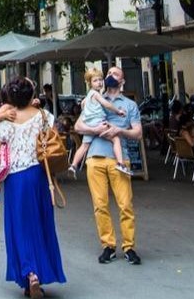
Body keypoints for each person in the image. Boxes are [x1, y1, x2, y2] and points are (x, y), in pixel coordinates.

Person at [0, 77, 66, 297]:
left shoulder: (5, 122)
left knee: (19, 227)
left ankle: (29, 273)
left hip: (15, 179)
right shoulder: (43, 116)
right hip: (39, 176)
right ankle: (40, 273)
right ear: (31, 96)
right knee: (40, 224)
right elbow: (53, 137)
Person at [75, 73, 142, 266]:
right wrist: (94, 130)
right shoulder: (94, 98)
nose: (111, 77)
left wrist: (119, 131)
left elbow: (137, 133)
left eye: (116, 74)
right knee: (100, 205)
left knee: (125, 205)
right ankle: (108, 245)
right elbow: (78, 126)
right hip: (95, 157)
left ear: (123, 81)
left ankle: (129, 247)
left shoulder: (130, 105)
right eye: (109, 74)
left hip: (119, 159)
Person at [70, 69, 130, 175]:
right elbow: (107, 104)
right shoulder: (96, 94)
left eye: (100, 80)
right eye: (95, 80)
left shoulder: (86, 98)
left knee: (84, 146)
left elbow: (84, 109)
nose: (99, 82)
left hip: (89, 125)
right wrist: (118, 111)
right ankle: (121, 164)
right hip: (99, 123)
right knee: (116, 139)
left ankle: (73, 165)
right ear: (89, 83)